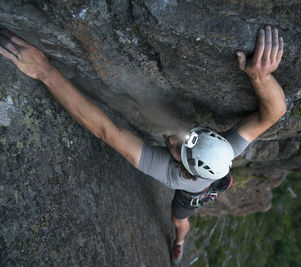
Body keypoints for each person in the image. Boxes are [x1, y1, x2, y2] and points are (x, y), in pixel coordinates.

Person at [0, 25, 286, 266]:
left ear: (180, 167)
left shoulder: (169, 174)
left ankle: (179, 244)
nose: (174, 140)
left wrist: (45, 72)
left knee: (179, 221)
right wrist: (260, 77)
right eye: (189, 137)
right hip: (210, 181)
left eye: (176, 150)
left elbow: (106, 130)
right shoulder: (224, 151)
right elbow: (274, 113)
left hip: (191, 195)